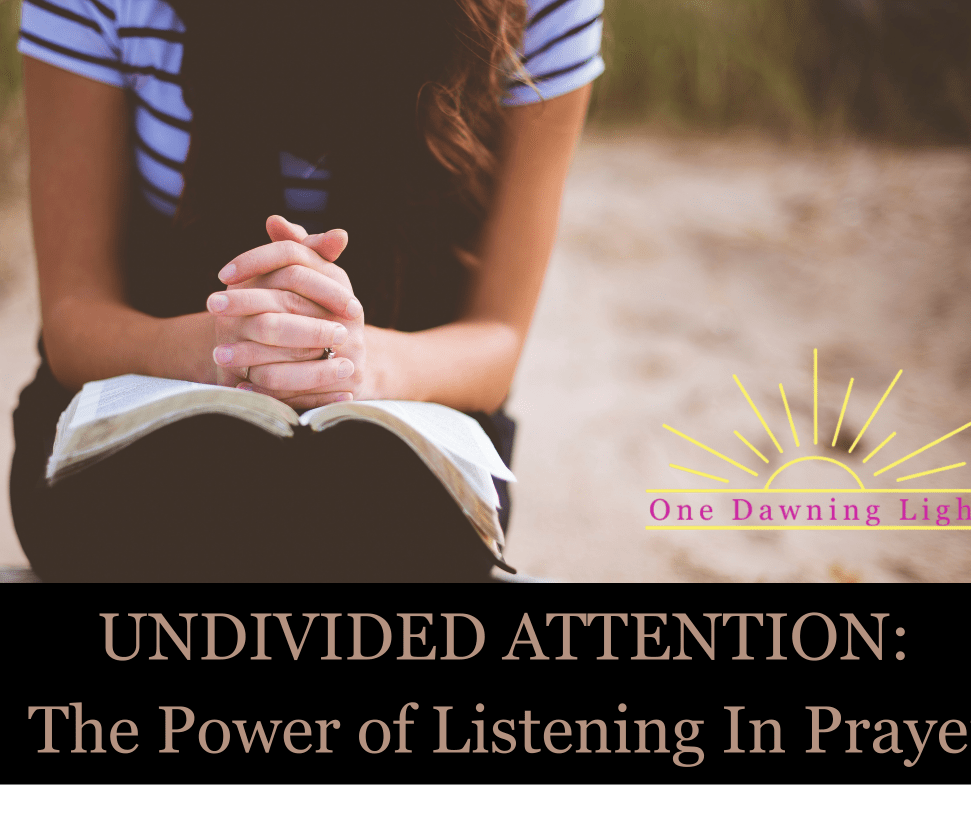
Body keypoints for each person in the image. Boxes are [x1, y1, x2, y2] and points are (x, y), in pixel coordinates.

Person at [9, 0, 604, 582]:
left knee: (380, 528)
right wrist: (225, 348)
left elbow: (497, 336)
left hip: (412, 404)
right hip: (151, 383)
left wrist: (357, 363)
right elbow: (72, 315)